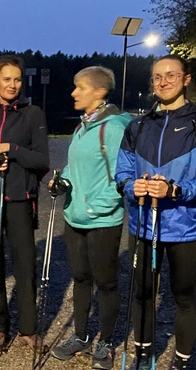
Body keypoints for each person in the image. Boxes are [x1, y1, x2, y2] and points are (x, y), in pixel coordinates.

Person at [115, 55, 196, 370]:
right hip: (143, 226)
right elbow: (122, 172)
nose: (163, 82)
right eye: (157, 77)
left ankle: (182, 360)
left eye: (171, 75)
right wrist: (130, 186)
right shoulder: (138, 125)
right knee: (143, 294)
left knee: (185, 298)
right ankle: (143, 354)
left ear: (185, 79)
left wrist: (176, 190)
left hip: (185, 228)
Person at [48, 66, 131, 370]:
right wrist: (63, 180)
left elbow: (122, 174)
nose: (73, 92)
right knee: (81, 278)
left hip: (103, 219)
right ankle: (81, 336)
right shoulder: (83, 125)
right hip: (75, 217)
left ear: (99, 92)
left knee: (106, 282)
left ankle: (106, 342)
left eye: (80, 87)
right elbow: (76, 166)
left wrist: (100, 205)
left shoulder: (114, 127)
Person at [0, 55, 50, 353]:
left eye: (17, 79)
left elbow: (42, 160)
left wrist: (11, 150)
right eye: (7, 79)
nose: (13, 85)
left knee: (25, 264)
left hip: (19, 198)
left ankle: (28, 328)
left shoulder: (32, 114)